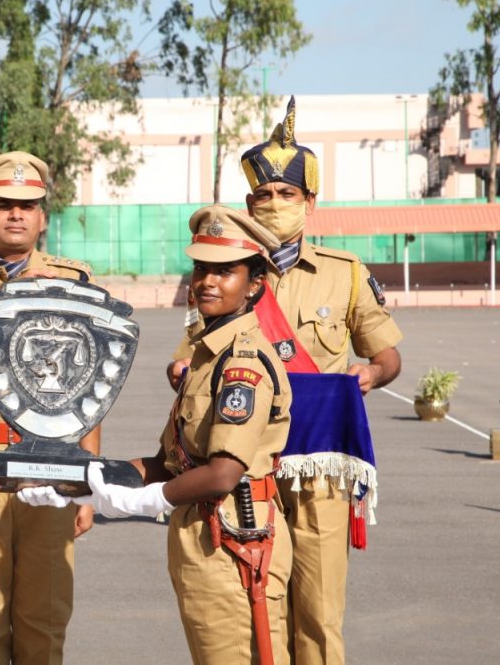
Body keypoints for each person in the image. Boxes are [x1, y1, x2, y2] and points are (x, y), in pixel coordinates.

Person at [171, 98, 403, 665]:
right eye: (262, 196)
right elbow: (188, 356)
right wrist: (179, 370)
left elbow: (388, 354)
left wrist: (370, 372)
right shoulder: (226, 270)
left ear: (309, 202)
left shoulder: (345, 274)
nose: (273, 204)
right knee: (251, 606)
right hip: (247, 471)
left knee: (318, 615)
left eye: (286, 195)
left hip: (318, 474)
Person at [23, 206, 294, 664]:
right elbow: (169, 464)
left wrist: (150, 501)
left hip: (235, 539)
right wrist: (78, 482)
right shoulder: (209, 354)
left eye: (225, 272)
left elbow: (223, 473)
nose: (207, 281)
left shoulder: (241, 363)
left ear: (254, 285)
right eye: (201, 268)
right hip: (205, 531)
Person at [0, 151, 98, 665]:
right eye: (2, 204)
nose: (15, 215)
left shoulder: (74, 283)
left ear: (42, 218)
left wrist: (86, 482)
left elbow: (93, 392)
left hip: (50, 470)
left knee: (45, 618)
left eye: (27, 206)